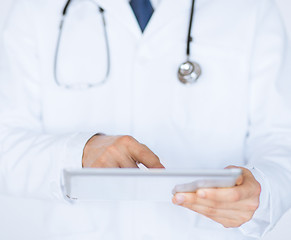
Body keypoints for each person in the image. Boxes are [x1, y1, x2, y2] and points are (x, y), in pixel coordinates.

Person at [0, 0, 291, 239]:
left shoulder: (253, 8)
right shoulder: (32, 9)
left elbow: (281, 139)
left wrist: (262, 192)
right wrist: (80, 153)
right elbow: (5, 144)